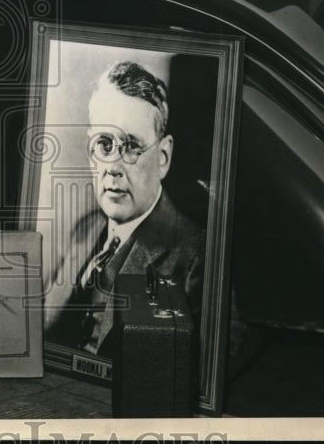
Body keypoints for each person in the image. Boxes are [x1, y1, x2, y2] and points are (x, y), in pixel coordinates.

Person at [46, 60, 205, 355]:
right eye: (104, 144)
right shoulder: (87, 228)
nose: (113, 167)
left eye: (132, 146)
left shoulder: (196, 258)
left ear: (163, 156)